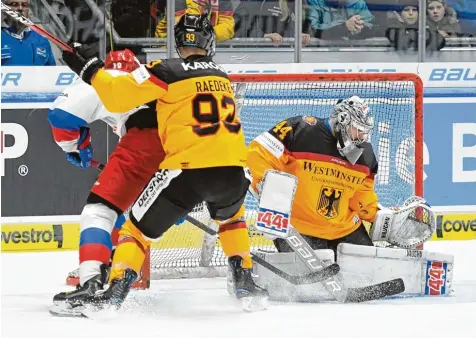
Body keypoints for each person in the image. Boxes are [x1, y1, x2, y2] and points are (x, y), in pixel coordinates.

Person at [57, 13, 267, 313]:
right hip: (235, 169)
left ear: (179, 41)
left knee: (134, 231)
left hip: (187, 169)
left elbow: (118, 98)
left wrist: (90, 69)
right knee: (232, 219)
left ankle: (115, 290)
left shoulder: (166, 69)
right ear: (209, 40)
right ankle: (244, 280)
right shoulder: (222, 75)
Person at [48, 49, 165, 306]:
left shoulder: (101, 78)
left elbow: (60, 116)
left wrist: (78, 145)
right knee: (129, 211)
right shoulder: (146, 78)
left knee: (100, 210)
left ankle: (91, 282)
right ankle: (116, 265)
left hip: (142, 144)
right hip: (181, 149)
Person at [247, 96, 378, 254]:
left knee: (372, 272)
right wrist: (268, 193)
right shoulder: (299, 129)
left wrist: (380, 218)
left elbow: (361, 198)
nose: (362, 137)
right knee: (309, 278)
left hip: (344, 228)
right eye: (358, 129)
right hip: (299, 227)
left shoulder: (365, 155)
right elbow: (258, 154)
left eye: (365, 132)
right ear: (343, 120)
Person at [1, 0, 56, 65]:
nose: (20, 8)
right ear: (4, 9)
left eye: (24, 5)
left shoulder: (41, 40)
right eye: (14, 4)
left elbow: (52, 72)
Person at [155, 0, 234, 43]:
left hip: (204, 48)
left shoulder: (223, 1)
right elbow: (187, 27)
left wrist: (208, 34)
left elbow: (228, 27)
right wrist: (207, 34)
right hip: (167, 50)